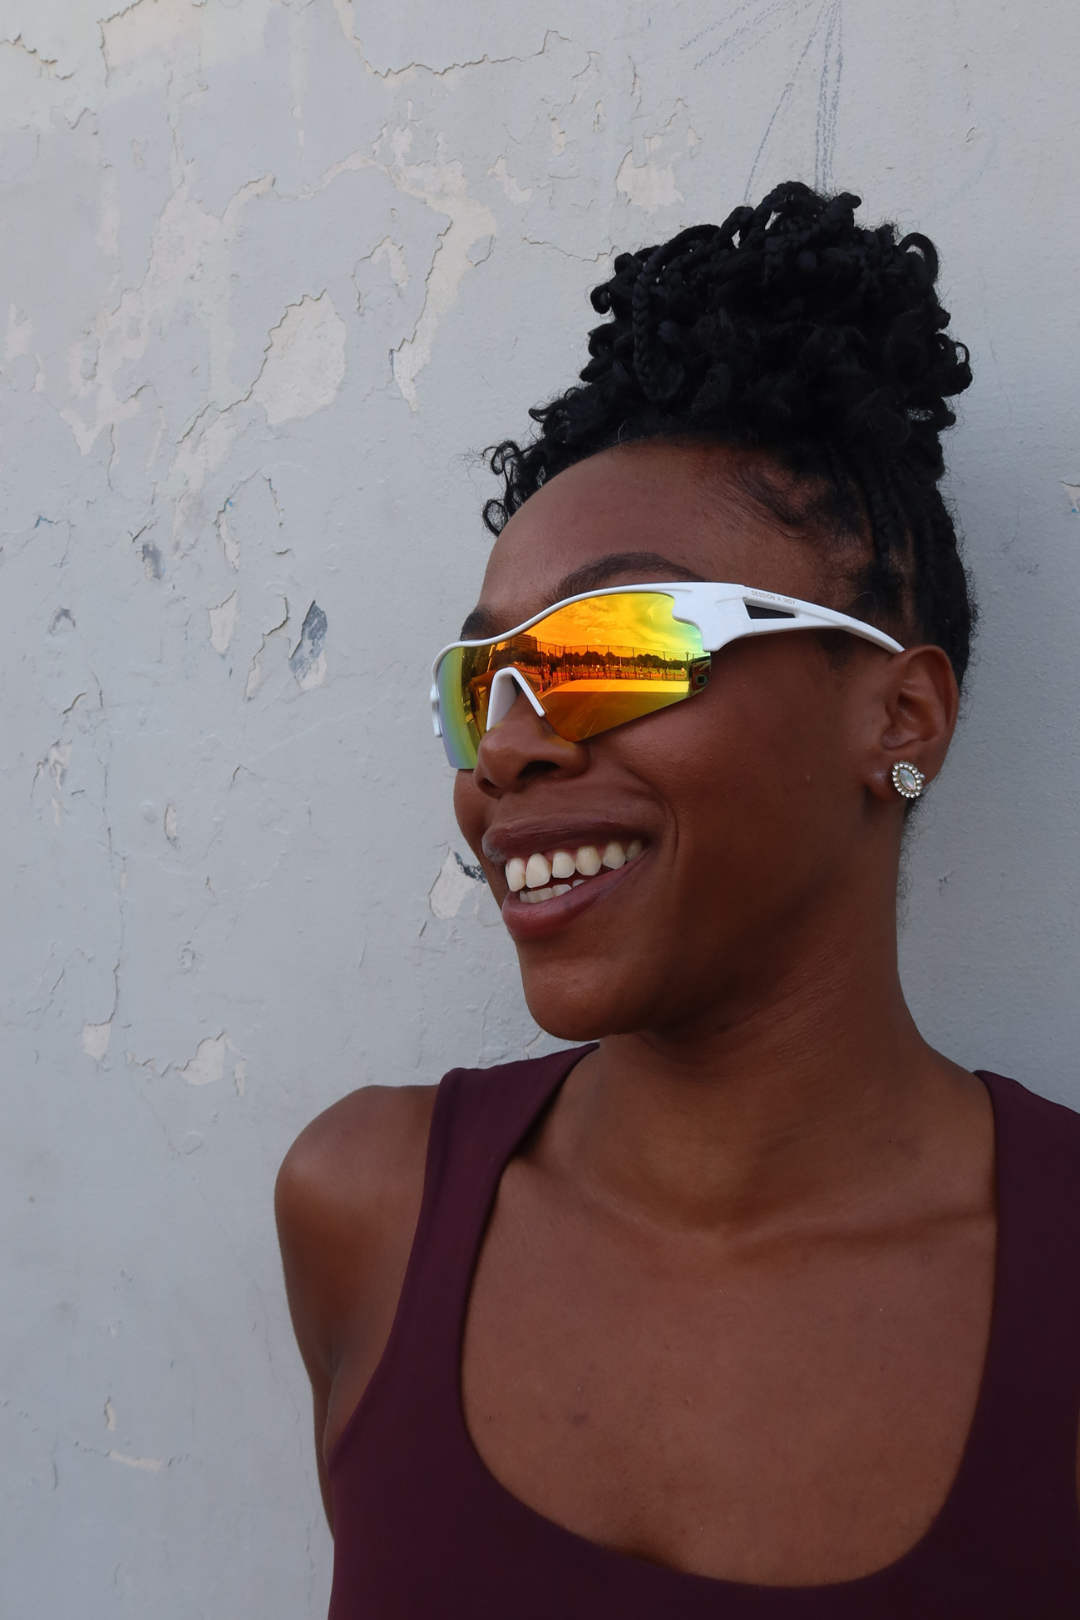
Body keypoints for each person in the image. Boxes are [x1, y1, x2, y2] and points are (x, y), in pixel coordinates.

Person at [275, 182, 1080, 1616]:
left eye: (620, 643)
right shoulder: (367, 1212)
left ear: (900, 716)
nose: (511, 747)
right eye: (485, 683)